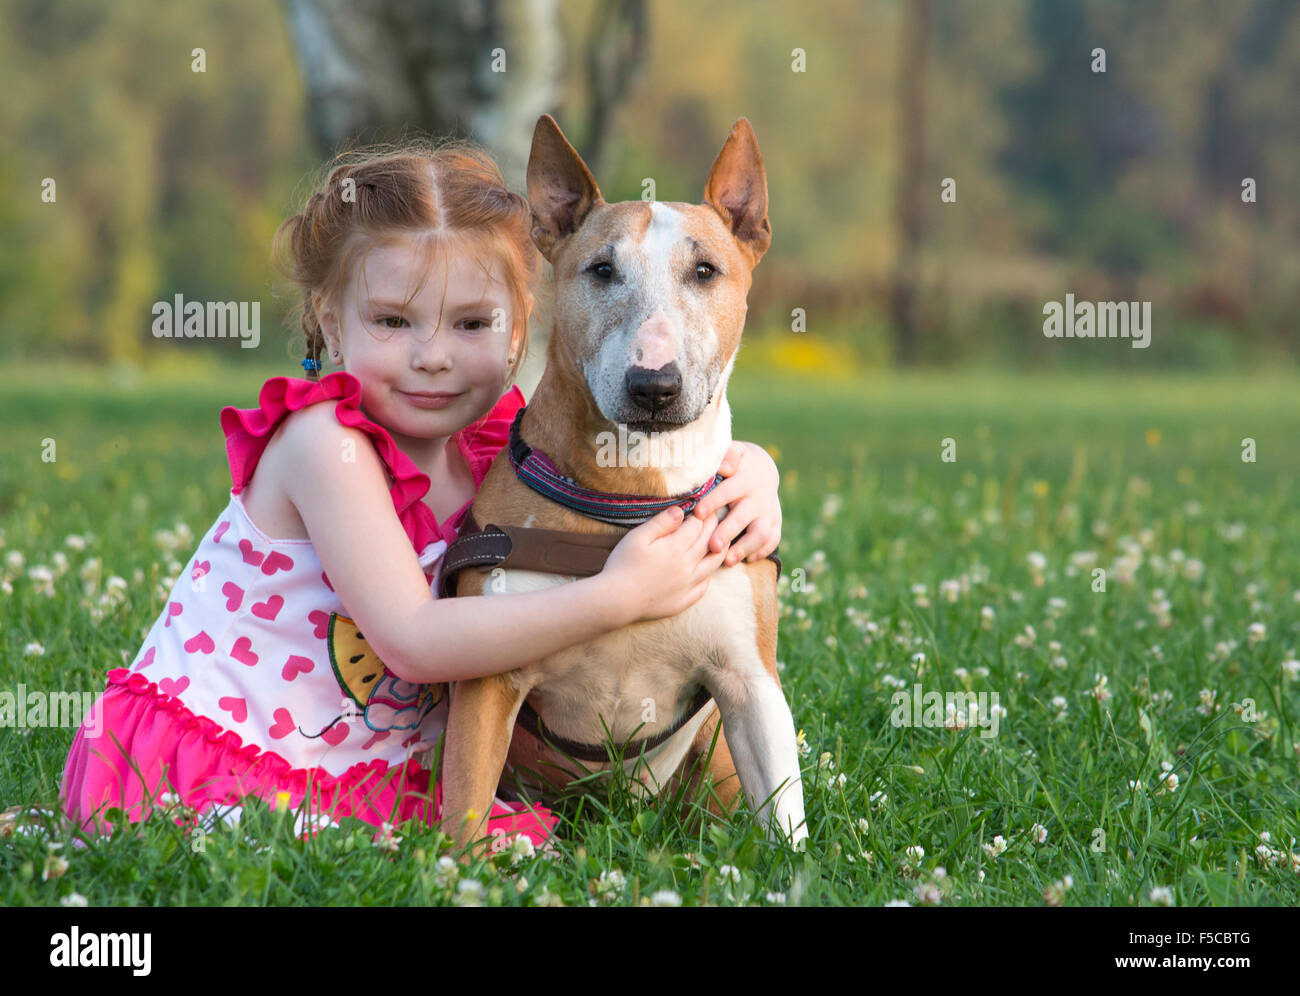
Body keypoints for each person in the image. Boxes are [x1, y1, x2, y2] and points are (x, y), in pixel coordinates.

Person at [60, 138, 784, 847]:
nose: (432, 356)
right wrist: (615, 597)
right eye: (392, 321)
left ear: (519, 330)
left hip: (361, 761)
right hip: (211, 761)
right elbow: (411, 642)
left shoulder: (496, 446)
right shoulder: (324, 445)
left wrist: (755, 470)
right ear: (328, 323)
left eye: (471, 323)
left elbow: (626, 469)